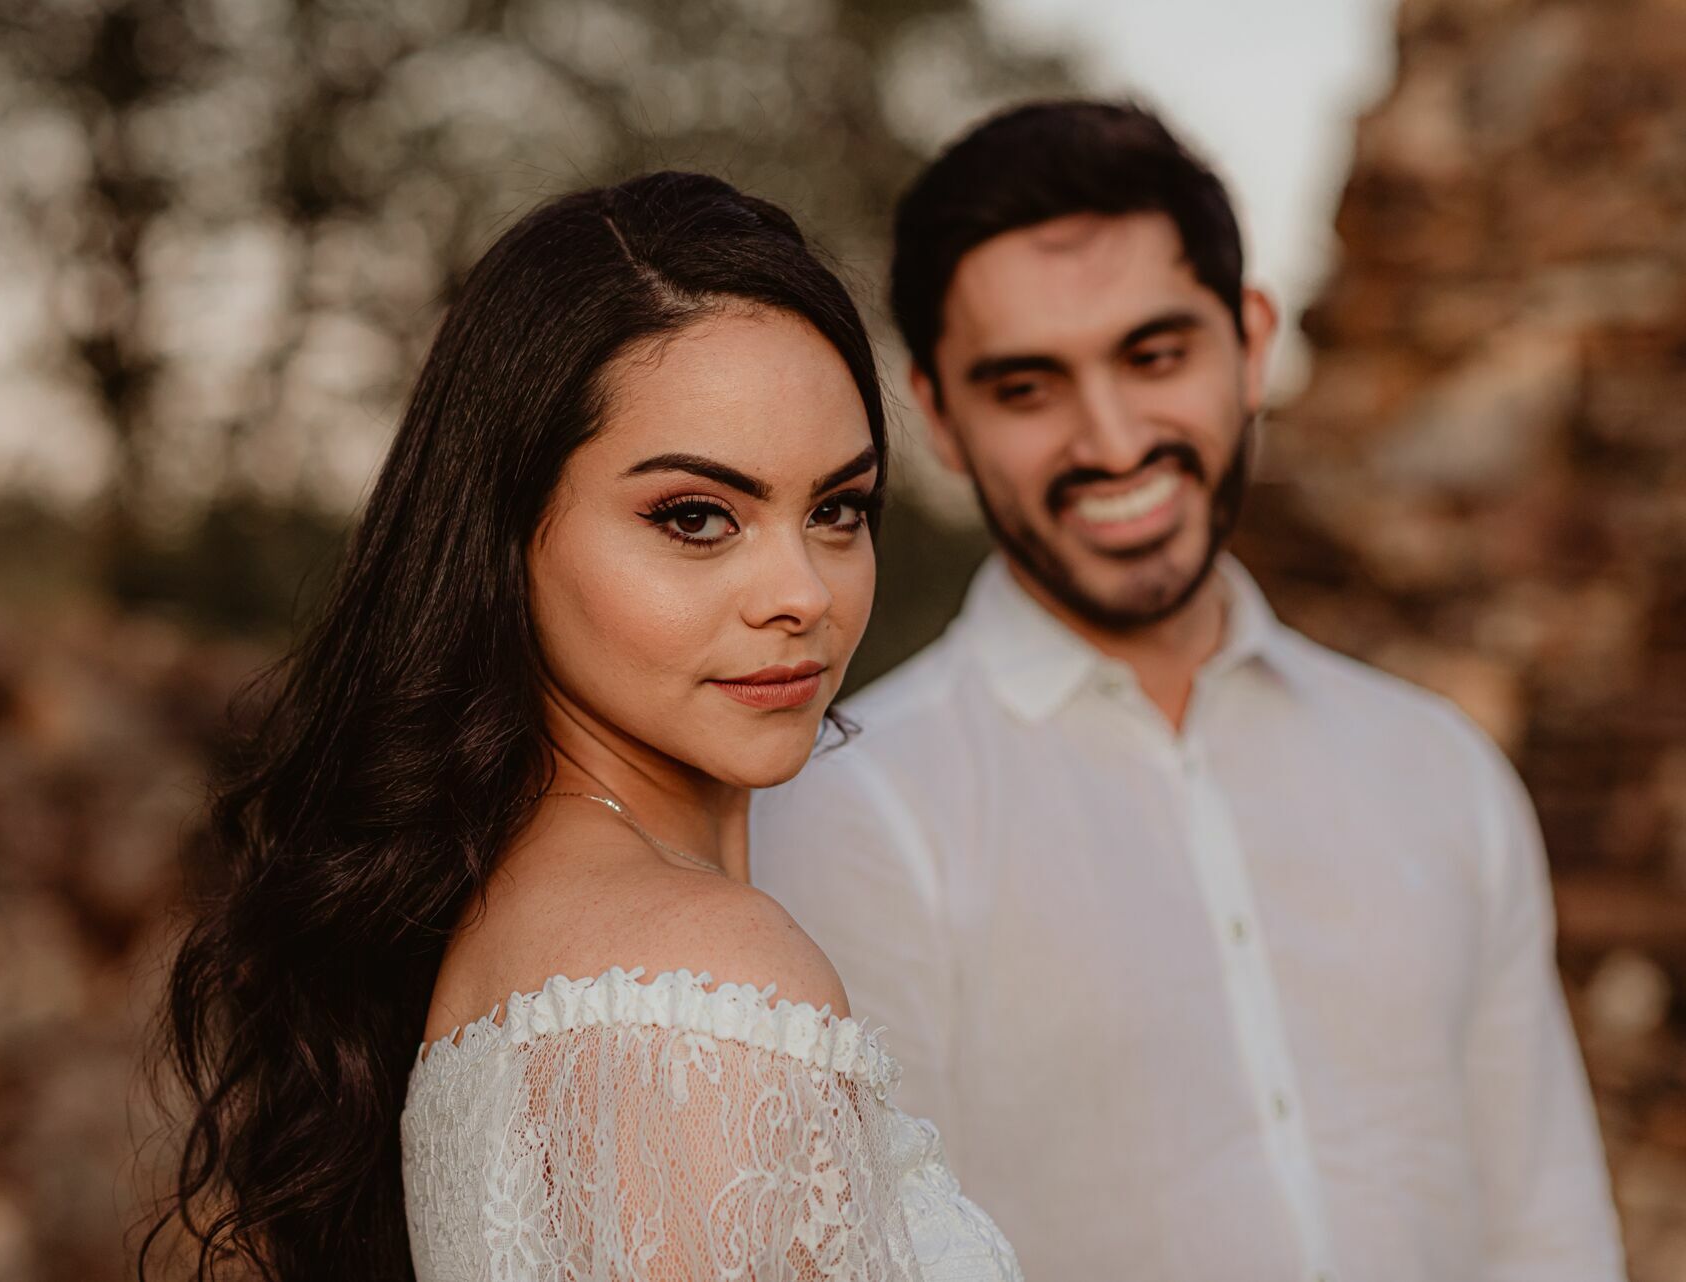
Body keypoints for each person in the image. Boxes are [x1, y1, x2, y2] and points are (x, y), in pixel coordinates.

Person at [754, 101, 1625, 1282]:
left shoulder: (1441, 768)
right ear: (941, 419)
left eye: (1155, 356)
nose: (1113, 440)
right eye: (1027, 387)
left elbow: (1549, 1231)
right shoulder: (846, 811)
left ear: (1252, 342)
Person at [143, 171, 1021, 1282]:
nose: (803, 592)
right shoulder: (701, 982)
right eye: (696, 517)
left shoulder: (520, 918)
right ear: (504, 536)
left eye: (837, 508)